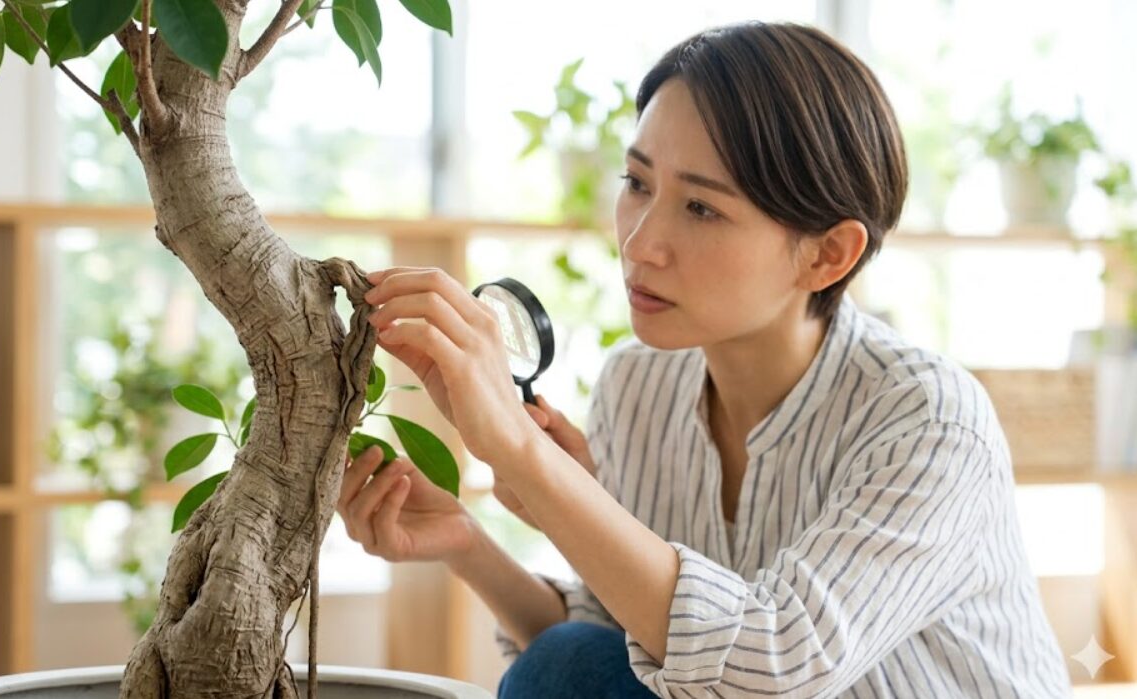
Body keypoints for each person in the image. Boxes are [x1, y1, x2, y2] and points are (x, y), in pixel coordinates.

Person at [337, 21, 1073, 698]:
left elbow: (770, 664)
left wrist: (524, 452)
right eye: (637, 184)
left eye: (700, 208)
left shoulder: (928, 419)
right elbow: (613, 645)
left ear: (827, 254)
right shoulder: (638, 386)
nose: (639, 243)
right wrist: (467, 544)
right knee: (566, 659)